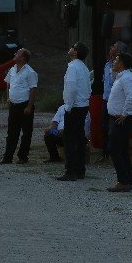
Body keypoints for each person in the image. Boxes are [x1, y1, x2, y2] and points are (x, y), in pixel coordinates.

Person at [57, 41, 91, 181]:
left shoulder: (72, 67)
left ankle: (71, 170)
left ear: (75, 52)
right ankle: (80, 169)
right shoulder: (83, 67)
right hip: (83, 105)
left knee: (70, 139)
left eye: (73, 47)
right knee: (79, 137)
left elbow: (71, 88)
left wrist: (68, 106)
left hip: (75, 106)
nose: (70, 49)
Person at [0, 48, 38, 164]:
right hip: (14, 105)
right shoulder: (12, 69)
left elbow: (33, 89)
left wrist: (29, 106)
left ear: (23, 58)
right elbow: (8, 84)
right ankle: (8, 157)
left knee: (26, 132)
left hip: (24, 105)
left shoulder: (30, 72)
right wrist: (8, 97)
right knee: (11, 132)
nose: (15, 54)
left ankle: (23, 156)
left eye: (18, 54)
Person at [106, 52, 132, 192]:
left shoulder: (126, 78)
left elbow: (131, 97)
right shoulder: (121, 76)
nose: (114, 61)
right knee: (122, 150)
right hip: (116, 118)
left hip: (121, 120)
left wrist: (125, 114)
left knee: (115, 149)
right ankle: (126, 181)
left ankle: (123, 181)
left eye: (116, 60)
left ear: (122, 63)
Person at [96, 40, 128, 163]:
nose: (110, 48)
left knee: (114, 128)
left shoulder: (122, 67)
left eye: (113, 47)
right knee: (104, 127)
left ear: (119, 51)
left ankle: (116, 154)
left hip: (116, 102)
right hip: (106, 100)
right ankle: (105, 153)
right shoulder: (107, 65)